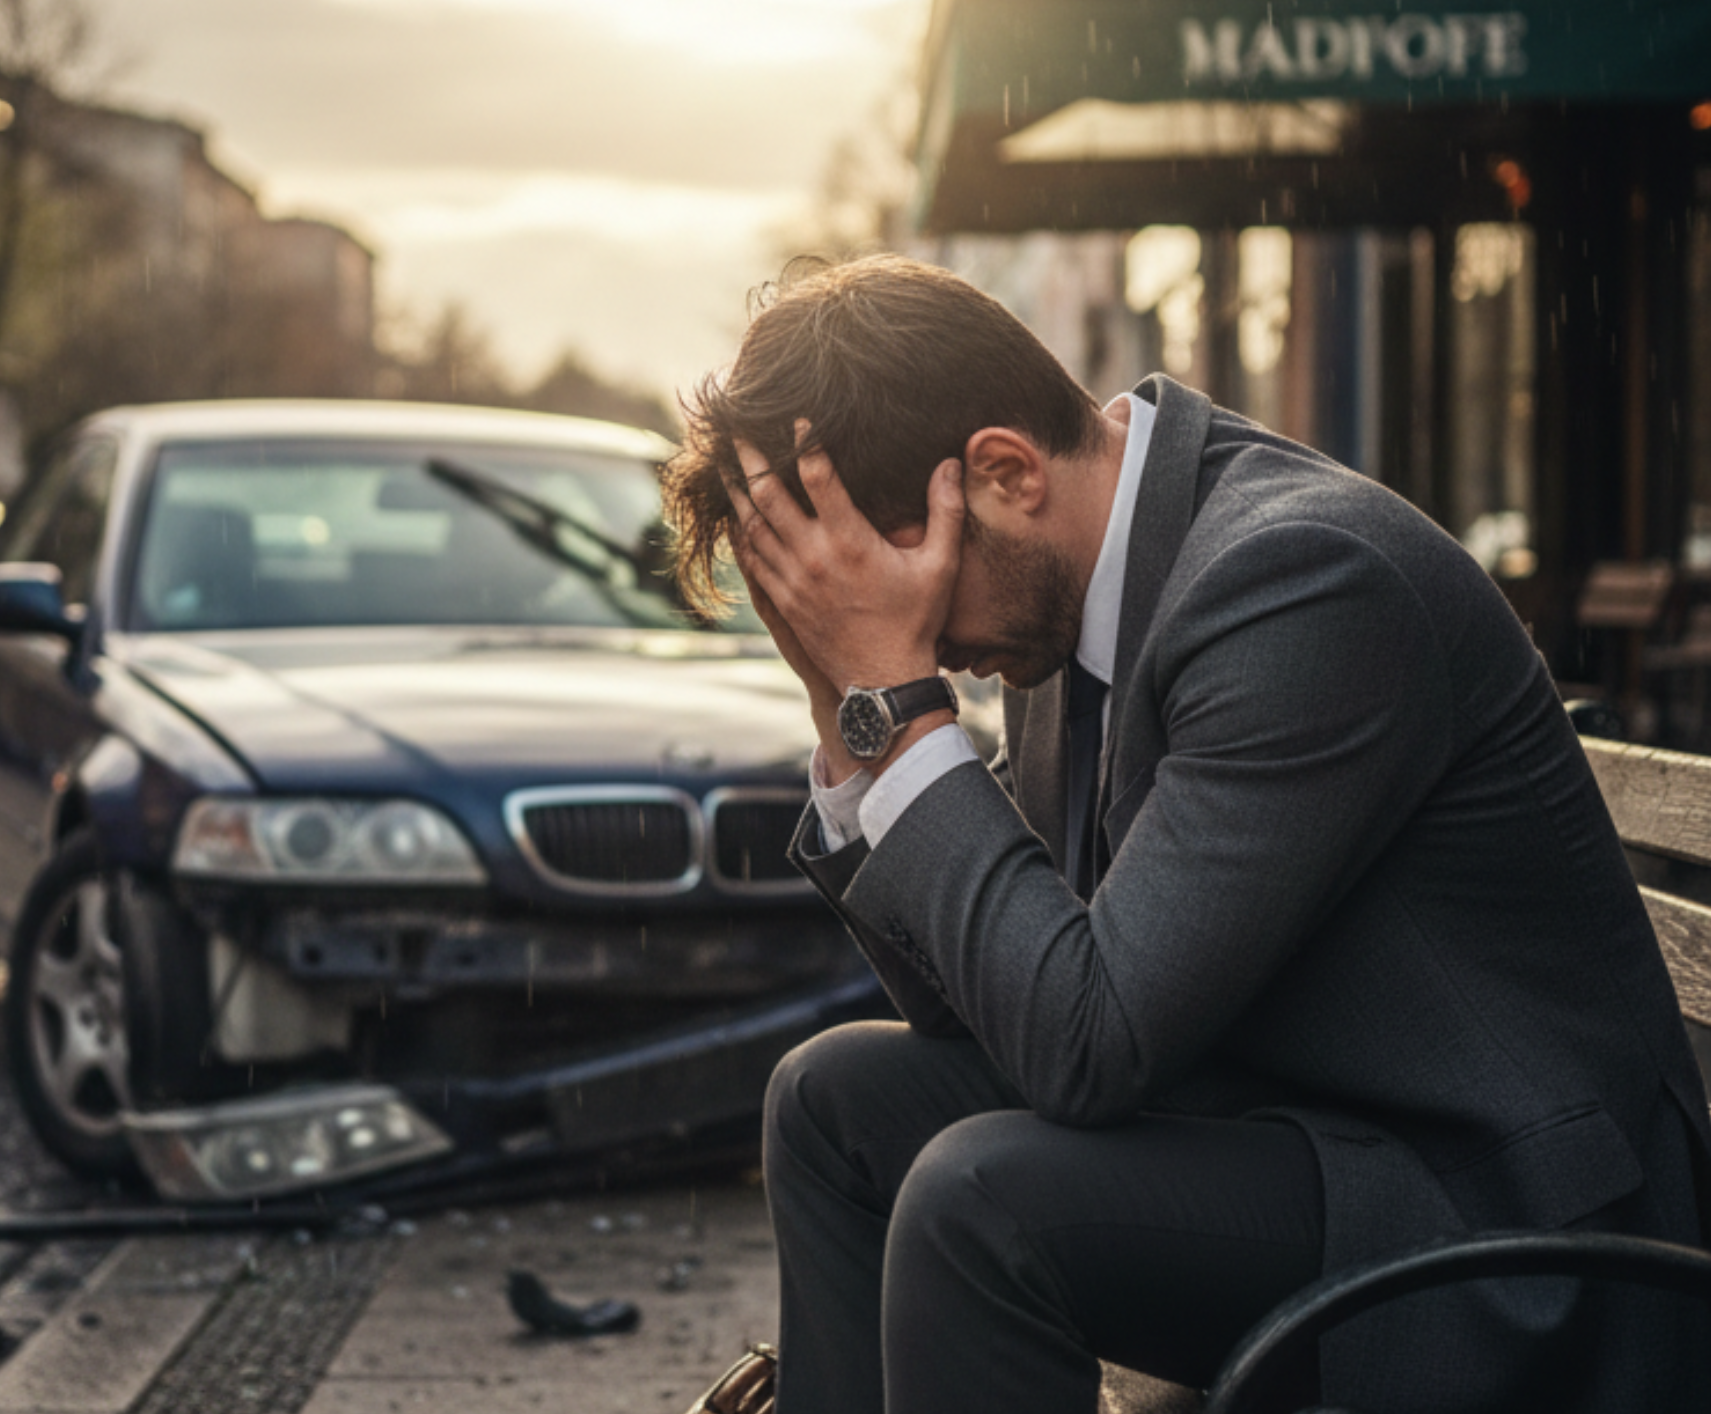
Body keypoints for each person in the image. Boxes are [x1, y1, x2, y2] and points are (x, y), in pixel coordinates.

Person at [659, 254, 1711, 1414]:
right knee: (831, 1103)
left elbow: (1084, 1047)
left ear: (1004, 472)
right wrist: (851, 714)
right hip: (1292, 1129)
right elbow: (985, 1005)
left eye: (916, 604)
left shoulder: (1302, 580)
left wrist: (902, 708)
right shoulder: (1061, 589)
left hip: (1493, 1223)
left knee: (983, 1194)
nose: (928, 647)